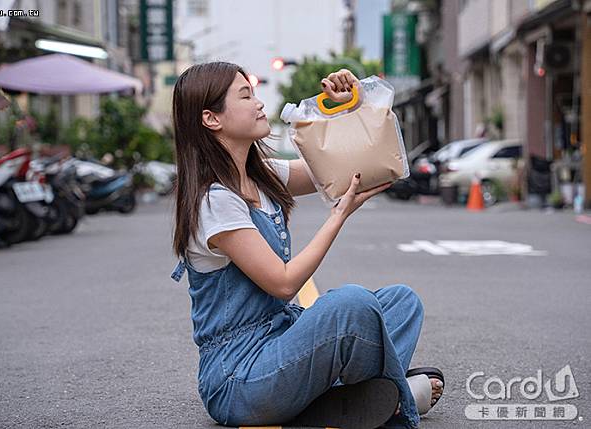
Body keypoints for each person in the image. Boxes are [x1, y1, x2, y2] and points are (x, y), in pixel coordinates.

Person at [170, 62, 443, 428]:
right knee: (351, 304)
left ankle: (354, 397)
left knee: (401, 301)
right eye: (246, 95)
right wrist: (337, 216)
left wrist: (350, 106)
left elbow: (351, 164)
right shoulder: (214, 200)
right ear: (211, 118)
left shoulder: (262, 175)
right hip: (239, 377)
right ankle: (395, 395)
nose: (259, 104)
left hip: (282, 346)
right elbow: (283, 284)